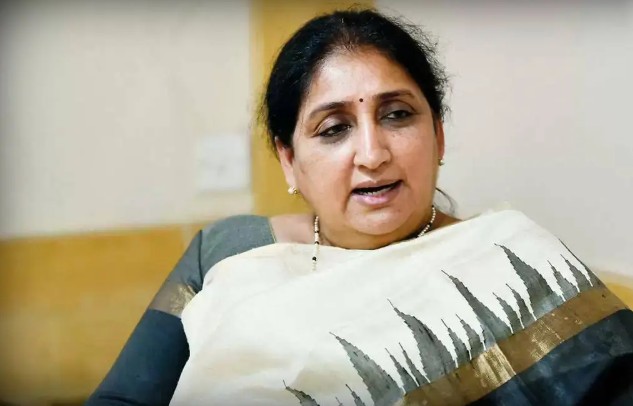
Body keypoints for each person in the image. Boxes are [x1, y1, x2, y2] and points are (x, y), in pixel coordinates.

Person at [87, 8, 633, 406]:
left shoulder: (516, 261)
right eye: (334, 128)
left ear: (438, 135)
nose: (372, 154)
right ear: (288, 161)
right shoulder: (229, 250)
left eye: (397, 115)